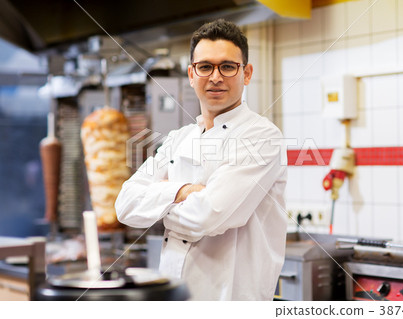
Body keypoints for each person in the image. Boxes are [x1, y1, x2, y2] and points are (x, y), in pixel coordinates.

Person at [115, 19, 287, 301]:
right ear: (191, 75)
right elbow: (125, 205)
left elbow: (209, 216)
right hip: (173, 297)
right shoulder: (178, 138)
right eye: (205, 67)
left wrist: (158, 204)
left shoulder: (261, 136)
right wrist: (183, 192)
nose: (216, 77)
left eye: (228, 66)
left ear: (246, 73)